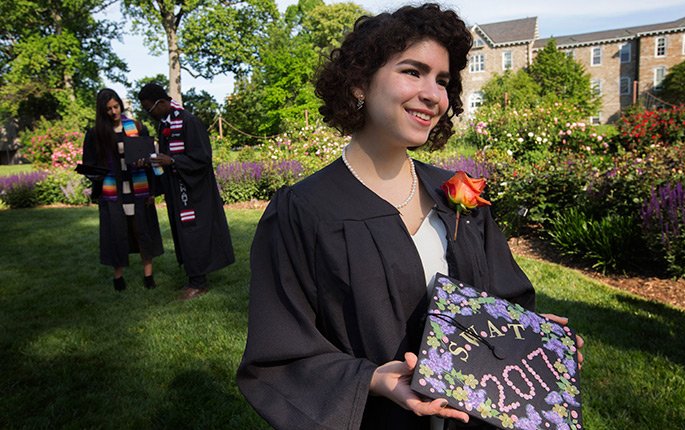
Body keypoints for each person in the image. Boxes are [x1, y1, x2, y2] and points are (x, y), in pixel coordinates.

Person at [237, 4, 584, 429]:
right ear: (360, 82)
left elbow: (503, 299)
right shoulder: (304, 211)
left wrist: (530, 339)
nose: (433, 94)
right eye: (412, 71)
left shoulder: (459, 195)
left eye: (442, 80)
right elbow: (280, 354)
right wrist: (371, 380)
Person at [137, 84, 235, 301]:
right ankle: (194, 276)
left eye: (148, 108)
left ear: (161, 103)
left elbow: (203, 157)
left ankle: (198, 283)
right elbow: (166, 159)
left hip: (194, 190)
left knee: (193, 234)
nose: (147, 113)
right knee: (185, 233)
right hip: (177, 187)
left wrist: (173, 160)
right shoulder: (165, 125)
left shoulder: (188, 122)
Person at [81, 88, 164, 291]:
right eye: (108, 109)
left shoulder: (136, 128)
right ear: (102, 111)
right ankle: (118, 278)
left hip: (139, 189)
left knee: (142, 231)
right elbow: (89, 163)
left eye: (116, 106)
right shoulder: (95, 134)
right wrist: (95, 176)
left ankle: (148, 276)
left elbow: (152, 160)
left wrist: (153, 191)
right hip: (113, 193)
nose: (114, 112)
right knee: (116, 234)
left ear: (120, 104)